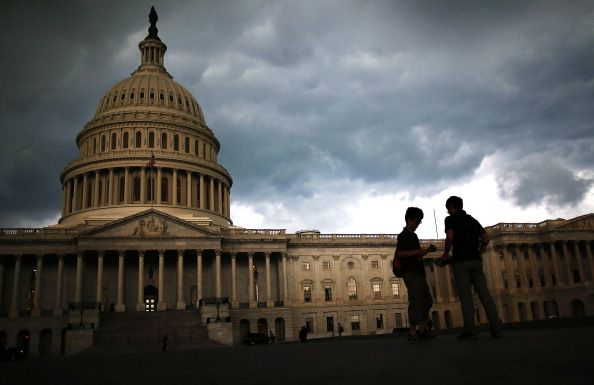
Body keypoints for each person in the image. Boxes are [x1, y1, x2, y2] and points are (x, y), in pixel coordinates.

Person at [437, 196, 502, 340]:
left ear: (451, 207)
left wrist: (446, 254)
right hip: (476, 260)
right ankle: (496, 329)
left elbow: (450, 237)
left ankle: (471, 331)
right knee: (485, 295)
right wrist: (480, 252)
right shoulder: (472, 220)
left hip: (460, 261)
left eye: (448, 209)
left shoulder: (450, 219)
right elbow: (486, 239)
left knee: (466, 297)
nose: (447, 211)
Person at [396, 207, 436, 341]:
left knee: (426, 300)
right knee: (416, 300)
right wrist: (417, 252)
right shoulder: (403, 235)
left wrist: (427, 251)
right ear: (408, 219)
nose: (418, 224)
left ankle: (422, 330)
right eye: (416, 221)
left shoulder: (414, 236)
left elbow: (416, 256)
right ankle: (412, 332)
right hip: (410, 272)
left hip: (418, 271)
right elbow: (401, 253)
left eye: (419, 221)